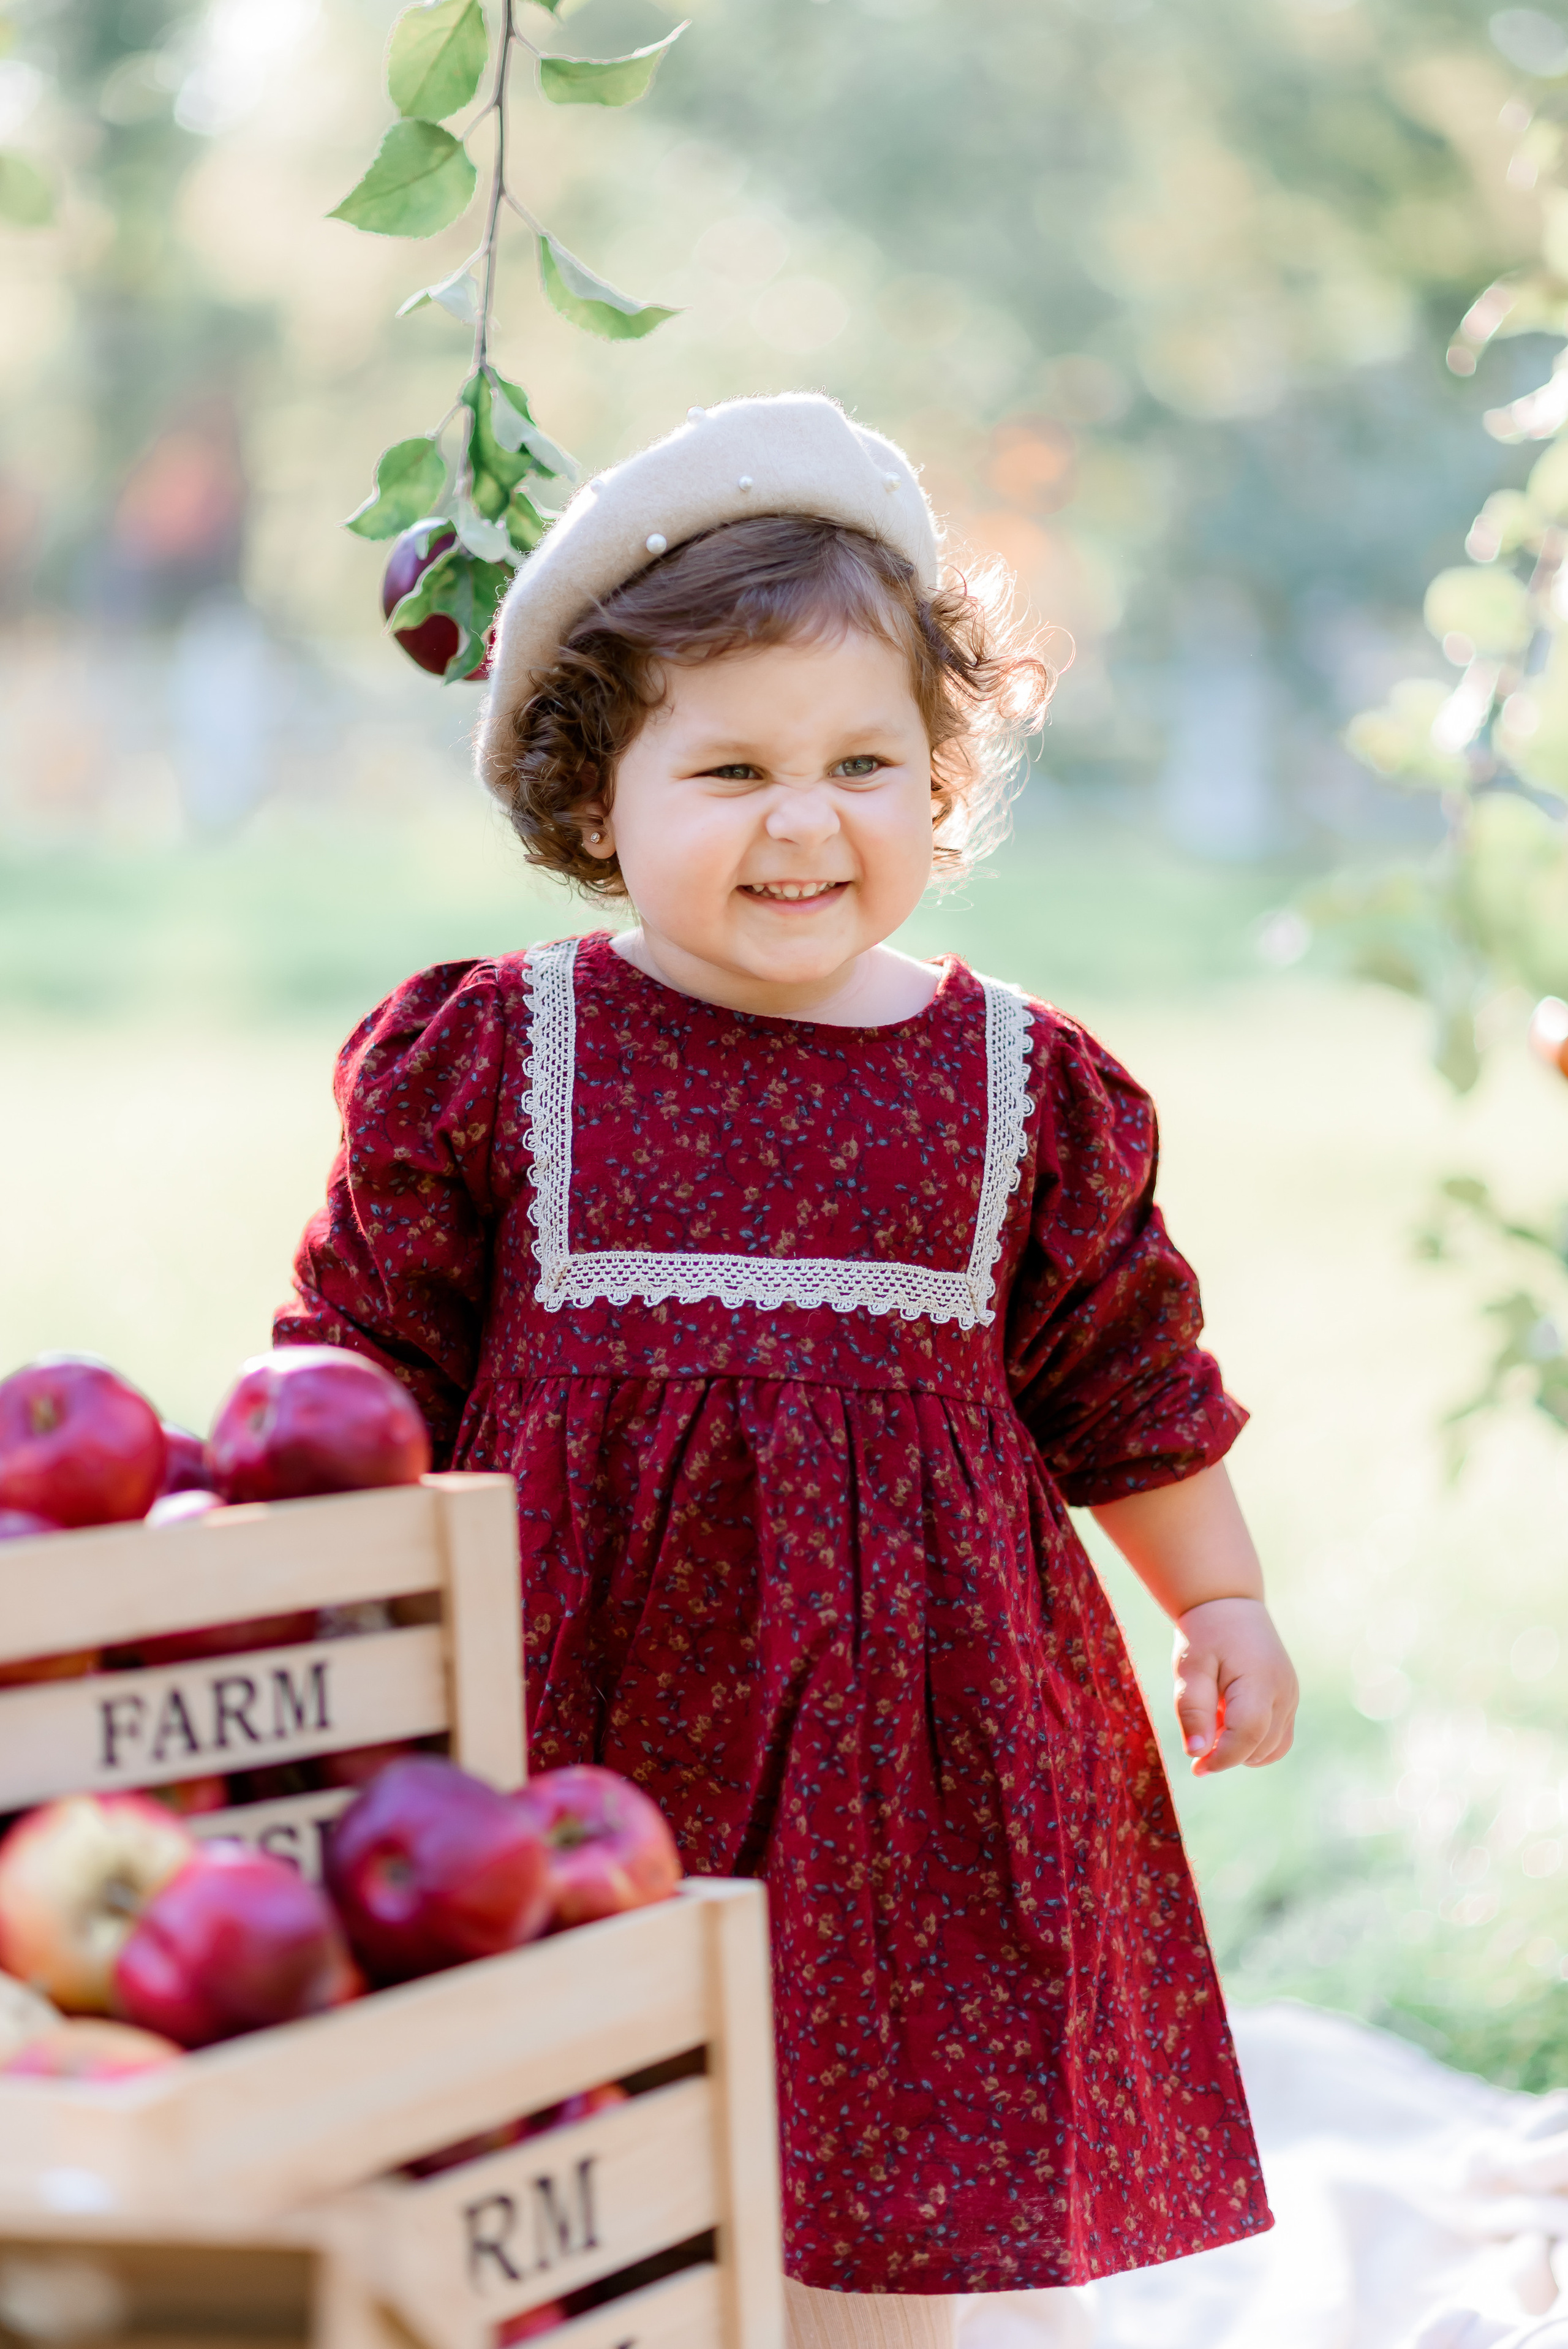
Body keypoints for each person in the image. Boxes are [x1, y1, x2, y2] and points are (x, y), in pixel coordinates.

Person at [278, 393, 1298, 2349]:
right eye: (729, 764)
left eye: (864, 761)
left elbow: (1129, 1378)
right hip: (573, 1722)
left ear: (943, 780)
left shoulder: (1020, 1088)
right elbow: (356, 1361)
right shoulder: (504, 1054)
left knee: (881, 2181)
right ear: (597, 799)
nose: (804, 818)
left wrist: (1223, 1594)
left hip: (910, 1758)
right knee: (564, 2168)